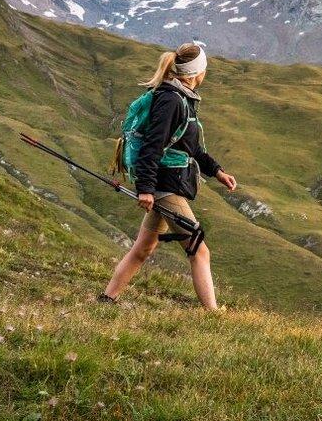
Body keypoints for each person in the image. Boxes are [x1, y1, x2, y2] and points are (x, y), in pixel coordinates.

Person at [99, 42, 236, 308]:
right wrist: (146, 189)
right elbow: (153, 145)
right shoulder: (172, 100)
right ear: (197, 72)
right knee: (198, 248)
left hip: (166, 183)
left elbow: (191, 147)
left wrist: (217, 172)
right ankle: (213, 316)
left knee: (144, 248)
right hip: (165, 185)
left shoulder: (182, 98)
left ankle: (107, 299)